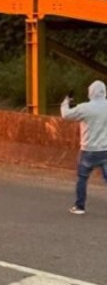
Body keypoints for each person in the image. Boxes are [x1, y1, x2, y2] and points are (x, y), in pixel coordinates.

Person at [60, 80, 107, 215]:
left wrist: (66, 101)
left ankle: (80, 206)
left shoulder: (85, 108)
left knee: (82, 178)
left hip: (88, 149)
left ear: (90, 92)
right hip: (105, 149)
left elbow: (66, 115)